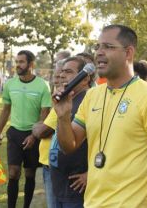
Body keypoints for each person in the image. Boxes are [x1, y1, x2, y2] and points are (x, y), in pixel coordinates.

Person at [53, 25, 147, 207]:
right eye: (98, 47)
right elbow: (69, 145)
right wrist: (63, 117)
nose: (99, 52)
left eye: (108, 46)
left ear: (128, 53)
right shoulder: (92, 96)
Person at [0, 50, 51, 208]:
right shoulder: (10, 84)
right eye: (17, 62)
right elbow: (6, 110)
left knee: (30, 174)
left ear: (31, 65)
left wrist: (34, 136)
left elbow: (45, 115)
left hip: (34, 134)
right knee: (13, 173)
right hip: (14, 133)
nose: (17, 65)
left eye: (21, 62)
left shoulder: (42, 85)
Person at [49, 56, 90, 207]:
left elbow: (108, 143)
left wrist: (90, 174)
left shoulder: (91, 100)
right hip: (59, 182)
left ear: (85, 79)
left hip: (76, 187)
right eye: (62, 71)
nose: (62, 75)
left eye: (68, 71)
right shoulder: (66, 99)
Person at [32, 59, 65, 208]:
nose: (58, 80)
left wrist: (37, 126)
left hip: (55, 165)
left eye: (63, 76)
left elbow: (42, 131)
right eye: (57, 76)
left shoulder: (64, 100)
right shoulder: (56, 96)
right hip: (48, 162)